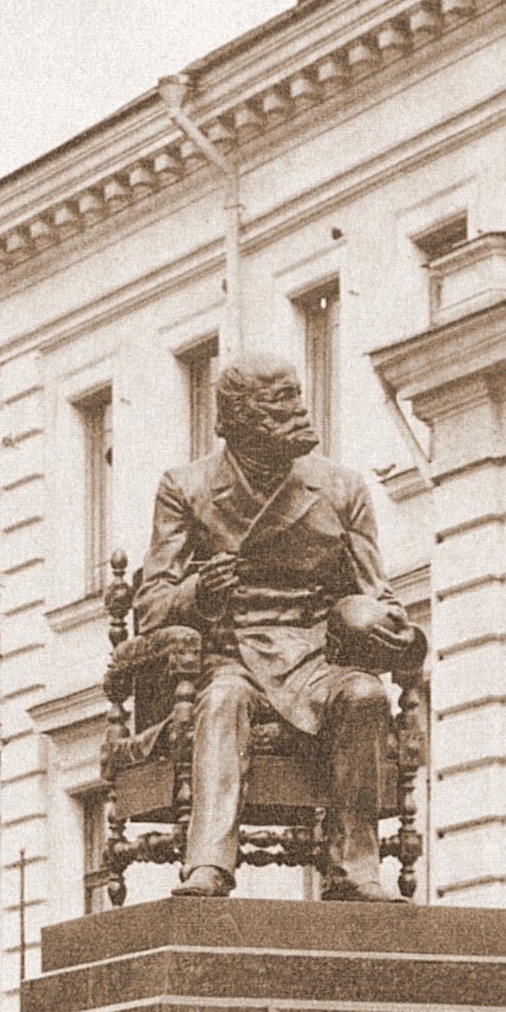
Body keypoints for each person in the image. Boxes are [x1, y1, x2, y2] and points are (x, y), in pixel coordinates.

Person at [134, 357, 421, 899]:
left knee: (363, 694)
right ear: (239, 419)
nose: (298, 413)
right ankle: (209, 865)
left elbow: (375, 591)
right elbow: (151, 606)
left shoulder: (342, 489)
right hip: (230, 655)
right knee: (222, 701)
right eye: (281, 404)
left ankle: (353, 867)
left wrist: (387, 627)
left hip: (316, 658)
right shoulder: (187, 487)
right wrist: (199, 593)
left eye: (296, 399)